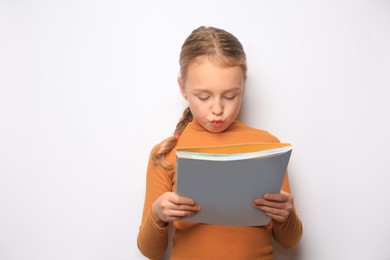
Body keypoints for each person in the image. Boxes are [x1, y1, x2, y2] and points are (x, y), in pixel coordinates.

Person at [137, 26, 302, 260]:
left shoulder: (266, 146)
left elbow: (290, 241)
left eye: (230, 96)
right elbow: (150, 251)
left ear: (243, 87)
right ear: (183, 88)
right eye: (203, 97)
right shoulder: (166, 154)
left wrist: (286, 215)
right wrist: (157, 215)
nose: (217, 109)